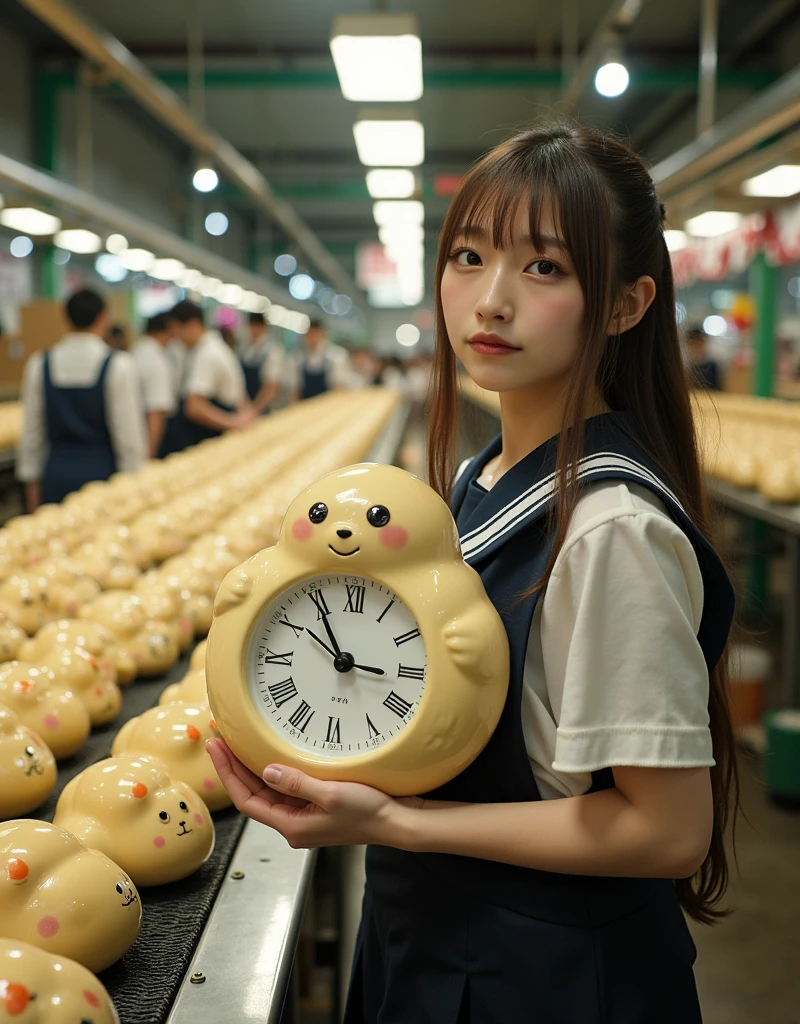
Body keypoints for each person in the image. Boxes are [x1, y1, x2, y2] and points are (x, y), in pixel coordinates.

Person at [207, 123, 739, 1023]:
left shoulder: (610, 529)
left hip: (546, 978)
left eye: (545, 269)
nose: (490, 300)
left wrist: (393, 824)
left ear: (625, 303)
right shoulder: (483, 476)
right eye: (468, 256)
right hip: (440, 939)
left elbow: (666, 829)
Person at [17, 288, 147, 509]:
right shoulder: (118, 365)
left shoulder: (39, 364)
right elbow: (129, 439)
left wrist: (32, 490)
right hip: (103, 476)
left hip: (56, 473)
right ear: (103, 319)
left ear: (65, 318)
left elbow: (31, 434)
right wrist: (133, 488)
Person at [160, 300, 254, 456]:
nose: (176, 338)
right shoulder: (214, 349)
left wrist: (235, 424)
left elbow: (194, 408)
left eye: (177, 330)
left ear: (193, 324)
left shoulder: (206, 355)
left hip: (208, 437)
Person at [131, 312, 177, 458]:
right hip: (147, 433)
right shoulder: (155, 361)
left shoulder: (135, 352)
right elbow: (155, 412)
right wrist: (149, 457)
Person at [286, 319, 352, 402]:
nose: (313, 338)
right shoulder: (296, 357)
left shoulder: (336, 355)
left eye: (316, 334)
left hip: (328, 404)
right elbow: (294, 391)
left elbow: (338, 388)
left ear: (323, 334)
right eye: (310, 335)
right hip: (305, 404)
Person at [239, 312, 285, 414]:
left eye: (256, 326)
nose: (253, 330)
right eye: (251, 326)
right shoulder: (245, 349)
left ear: (263, 327)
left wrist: (254, 410)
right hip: (244, 407)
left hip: (262, 409)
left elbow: (272, 387)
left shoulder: (273, 351)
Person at [685, 326, 722, 390]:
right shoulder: (686, 365)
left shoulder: (711, 365)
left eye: (699, 343)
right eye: (693, 344)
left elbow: (718, 388)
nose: (696, 347)